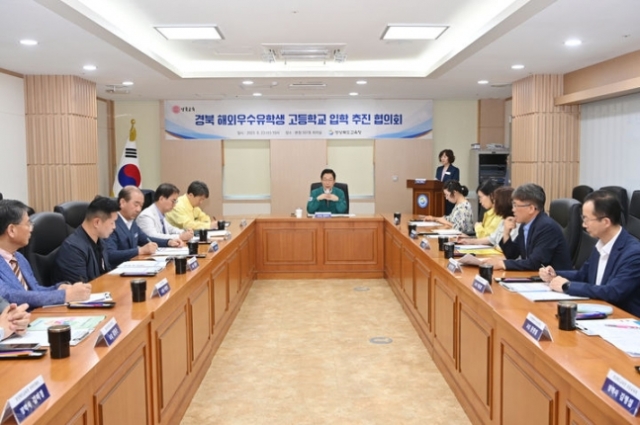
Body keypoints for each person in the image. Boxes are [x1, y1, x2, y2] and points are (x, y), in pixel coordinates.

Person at [540, 190, 640, 317]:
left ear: (605, 222)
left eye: (587, 219)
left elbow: (613, 292)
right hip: (598, 311)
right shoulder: (601, 244)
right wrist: (555, 274)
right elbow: (583, 275)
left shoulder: (634, 254)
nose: (583, 224)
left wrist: (567, 286)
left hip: (623, 319)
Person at [0, 199, 91, 308]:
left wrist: (58, 288)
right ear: (11, 230)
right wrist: (64, 295)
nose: (31, 229)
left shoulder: (19, 257)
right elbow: (10, 296)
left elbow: (35, 290)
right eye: (27, 224)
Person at [483, 183, 572, 271]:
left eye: (516, 205)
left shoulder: (546, 227)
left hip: (554, 280)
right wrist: (506, 233)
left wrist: (501, 263)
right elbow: (512, 255)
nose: (513, 209)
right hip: (535, 277)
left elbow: (535, 263)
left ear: (531, 209)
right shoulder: (525, 225)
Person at [104, 186, 178, 269]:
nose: (139, 209)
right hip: (116, 272)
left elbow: (146, 239)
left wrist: (168, 242)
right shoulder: (111, 223)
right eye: (136, 204)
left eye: (141, 205)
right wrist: (139, 251)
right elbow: (110, 255)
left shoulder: (132, 222)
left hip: (133, 267)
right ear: (122, 202)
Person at [53, 196, 120, 283]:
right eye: (112, 222)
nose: (114, 227)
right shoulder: (73, 249)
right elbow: (81, 290)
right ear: (97, 222)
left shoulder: (100, 242)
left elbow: (105, 272)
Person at [435, 149, 460, 215]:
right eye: (441, 156)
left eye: (445, 157)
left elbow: (454, 183)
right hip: (439, 195)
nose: (442, 158)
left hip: (449, 196)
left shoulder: (455, 170)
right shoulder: (439, 169)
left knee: (449, 213)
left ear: (450, 158)